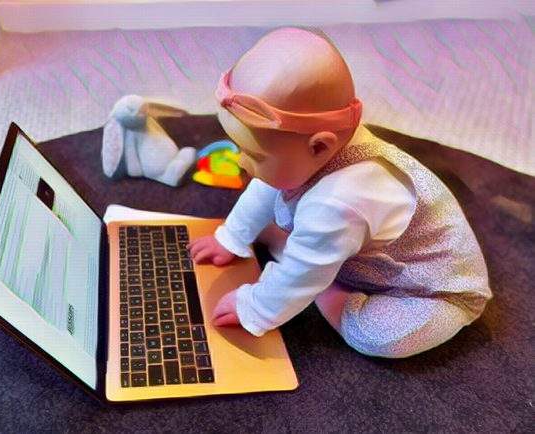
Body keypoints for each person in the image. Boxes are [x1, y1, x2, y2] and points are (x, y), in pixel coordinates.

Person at [188, 27, 491, 358]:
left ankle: (330, 290)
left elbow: (300, 276)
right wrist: (231, 236)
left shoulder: (339, 201)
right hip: (359, 247)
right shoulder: (316, 151)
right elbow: (267, 185)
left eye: (255, 155)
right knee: (282, 198)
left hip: (427, 288)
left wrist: (255, 308)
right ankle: (315, 259)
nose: (241, 163)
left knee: (380, 337)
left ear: (320, 146)